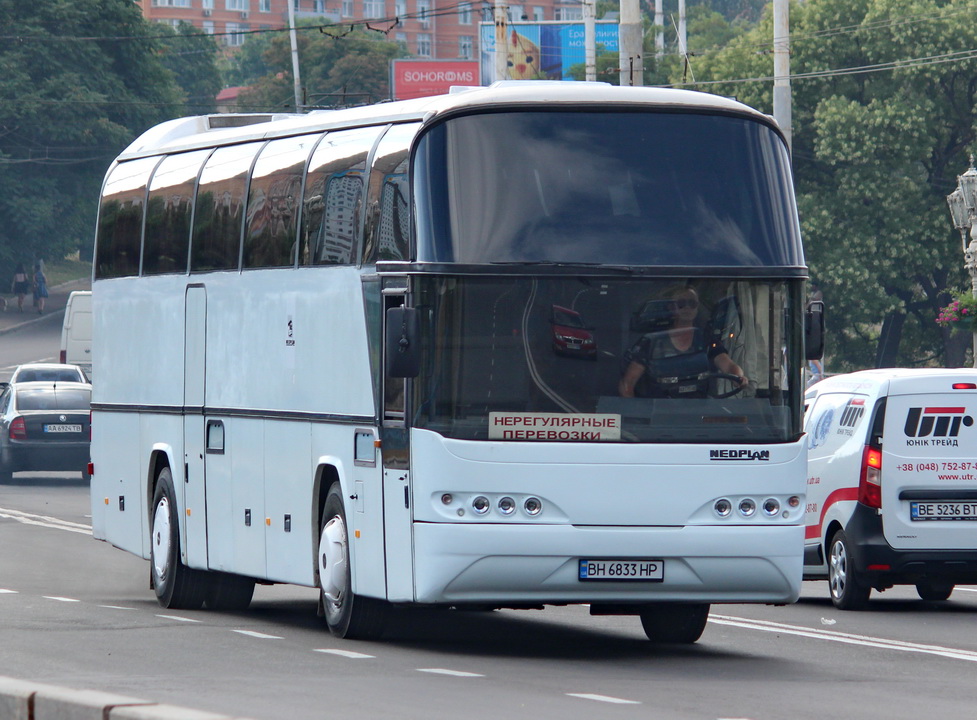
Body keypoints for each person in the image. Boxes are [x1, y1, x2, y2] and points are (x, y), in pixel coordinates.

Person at [619, 285, 748, 399]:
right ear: (671, 307)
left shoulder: (705, 339)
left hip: (697, 415)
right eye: (681, 303)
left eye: (692, 303)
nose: (687, 308)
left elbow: (728, 365)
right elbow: (627, 385)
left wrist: (738, 376)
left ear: (697, 308)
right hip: (659, 416)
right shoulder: (651, 342)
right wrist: (638, 418)